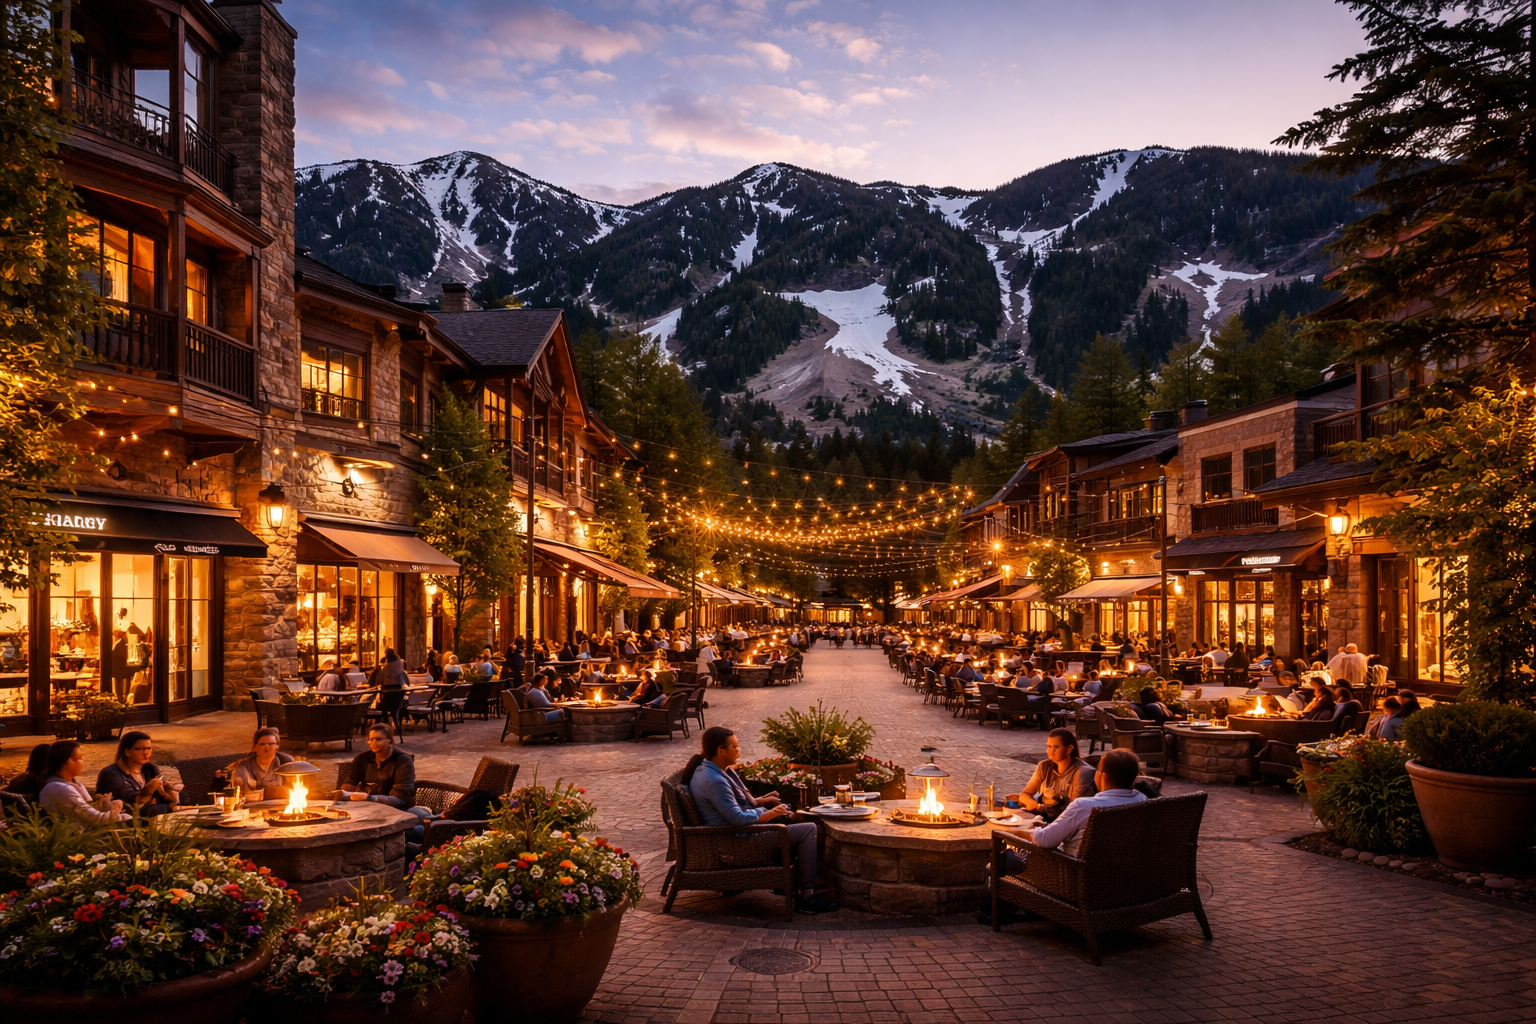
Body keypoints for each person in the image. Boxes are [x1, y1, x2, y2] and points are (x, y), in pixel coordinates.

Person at [979, 749, 1146, 926]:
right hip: (1122, 882)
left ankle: (996, 913)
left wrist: (1016, 833)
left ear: (1102, 776)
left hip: (1075, 881)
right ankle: (1031, 909)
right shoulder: (1142, 801)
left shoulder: (1085, 806)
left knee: (1006, 857)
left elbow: (1045, 840)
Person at [688, 726, 838, 915]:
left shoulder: (715, 770)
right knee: (809, 830)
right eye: (734, 747)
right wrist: (768, 813)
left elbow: (737, 804)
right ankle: (808, 897)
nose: (739, 750)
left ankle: (788, 884)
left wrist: (763, 801)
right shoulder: (714, 780)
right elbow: (737, 817)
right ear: (721, 750)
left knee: (809, 822)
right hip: (738, 839)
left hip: (740, 831)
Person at [40, 741, 130, 823]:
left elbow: (88, 810)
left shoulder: (76, 784)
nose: (83, 761)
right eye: (80, 758)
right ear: (68, 761)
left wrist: (103, 804)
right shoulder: (60, 788)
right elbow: (94, 818)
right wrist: (122, 814)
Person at [96, 731, 180, 817]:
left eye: (149, 748)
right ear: (127, 752)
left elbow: (162, 799)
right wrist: (149, 791)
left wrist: (169, 792)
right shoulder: (111, 774)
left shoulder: (150, 769)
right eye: (138, 749)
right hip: (121, 818)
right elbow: (129, 804)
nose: (145, 752)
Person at [1018, 729, 1097, 818]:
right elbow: (1025, 794)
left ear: (1069, 748)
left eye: (1056, 747)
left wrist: (1042, 808)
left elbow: (1076, 811)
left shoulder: (1083, 772)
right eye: (1049, 746)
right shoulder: (1044, 766)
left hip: (1066, 821)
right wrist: (1032, 804)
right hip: (1042, 818)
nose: (1051, 751)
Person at [336, 724, 418, 808]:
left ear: (389, 740)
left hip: (394, 809)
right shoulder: (362, 758)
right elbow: (351, 781)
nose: (374, 743)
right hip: (365, 807)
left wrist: (368, 798)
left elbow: (400, 798)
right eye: (371, 739)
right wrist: (342, 793)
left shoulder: (402, 761)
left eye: (378, 739)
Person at [231, 726, 295, 801]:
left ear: (277, 746)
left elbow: (293, 790)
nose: (266, 748)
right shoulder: (244, 767)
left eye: (271, 744)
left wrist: (264, 794)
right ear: (255, 747)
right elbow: (240, 795)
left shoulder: (286, 763)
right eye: (262, 744)